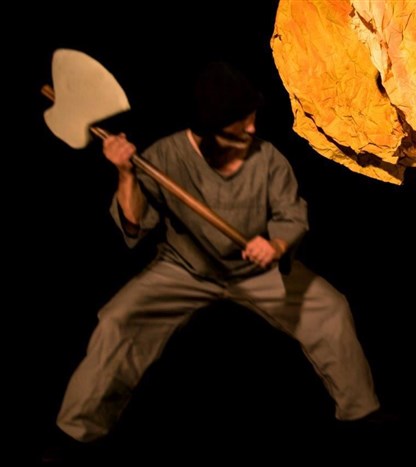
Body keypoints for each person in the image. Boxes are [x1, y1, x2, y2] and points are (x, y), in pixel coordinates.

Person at [45, 61, 381, 458]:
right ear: (206, 134)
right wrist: (125, 174)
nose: (251, 131)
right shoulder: (165, 155)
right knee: (118, 321)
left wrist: (274, 246)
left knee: (330, 309)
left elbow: (292, 216)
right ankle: (74, 433)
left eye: (251, 120)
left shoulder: (268, 158)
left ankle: (363, 420)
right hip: (185, 268)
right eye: (240, 127)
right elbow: (134, 226)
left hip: (256, 270)